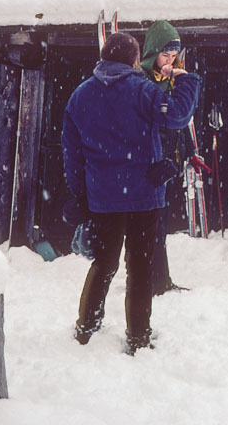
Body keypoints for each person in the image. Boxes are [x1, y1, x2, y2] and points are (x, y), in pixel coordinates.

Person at [62, 31, 200, 354]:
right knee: (140, 268)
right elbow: (178, 115)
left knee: (104, 262)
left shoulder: (80, 96)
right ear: (135, 59)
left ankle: (87, 326)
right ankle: (138, 336)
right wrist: (187, 80)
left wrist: (80, 194)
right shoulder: (143, 90)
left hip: (103, 197)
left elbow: (72, 153)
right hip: (143, 195)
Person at [139, 20, 194, 295]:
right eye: (165, 55)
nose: (169, 62)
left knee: (161, 224)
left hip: (168, 163)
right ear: (152, 53)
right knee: (151, 226)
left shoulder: (166, 81)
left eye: (173, 56)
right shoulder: (144, 83)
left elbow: (180, 123)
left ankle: (161, 278)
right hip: (150, 166)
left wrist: (190, 150)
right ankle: (150, 280)